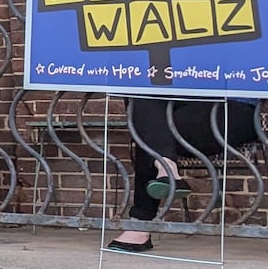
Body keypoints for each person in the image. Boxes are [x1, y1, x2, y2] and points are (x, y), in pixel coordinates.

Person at [110, 98, 263, 253]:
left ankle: (140, 223)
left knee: (151, 128)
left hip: (233, 104)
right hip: (181, 99)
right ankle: (166, 166)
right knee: (143, 101)